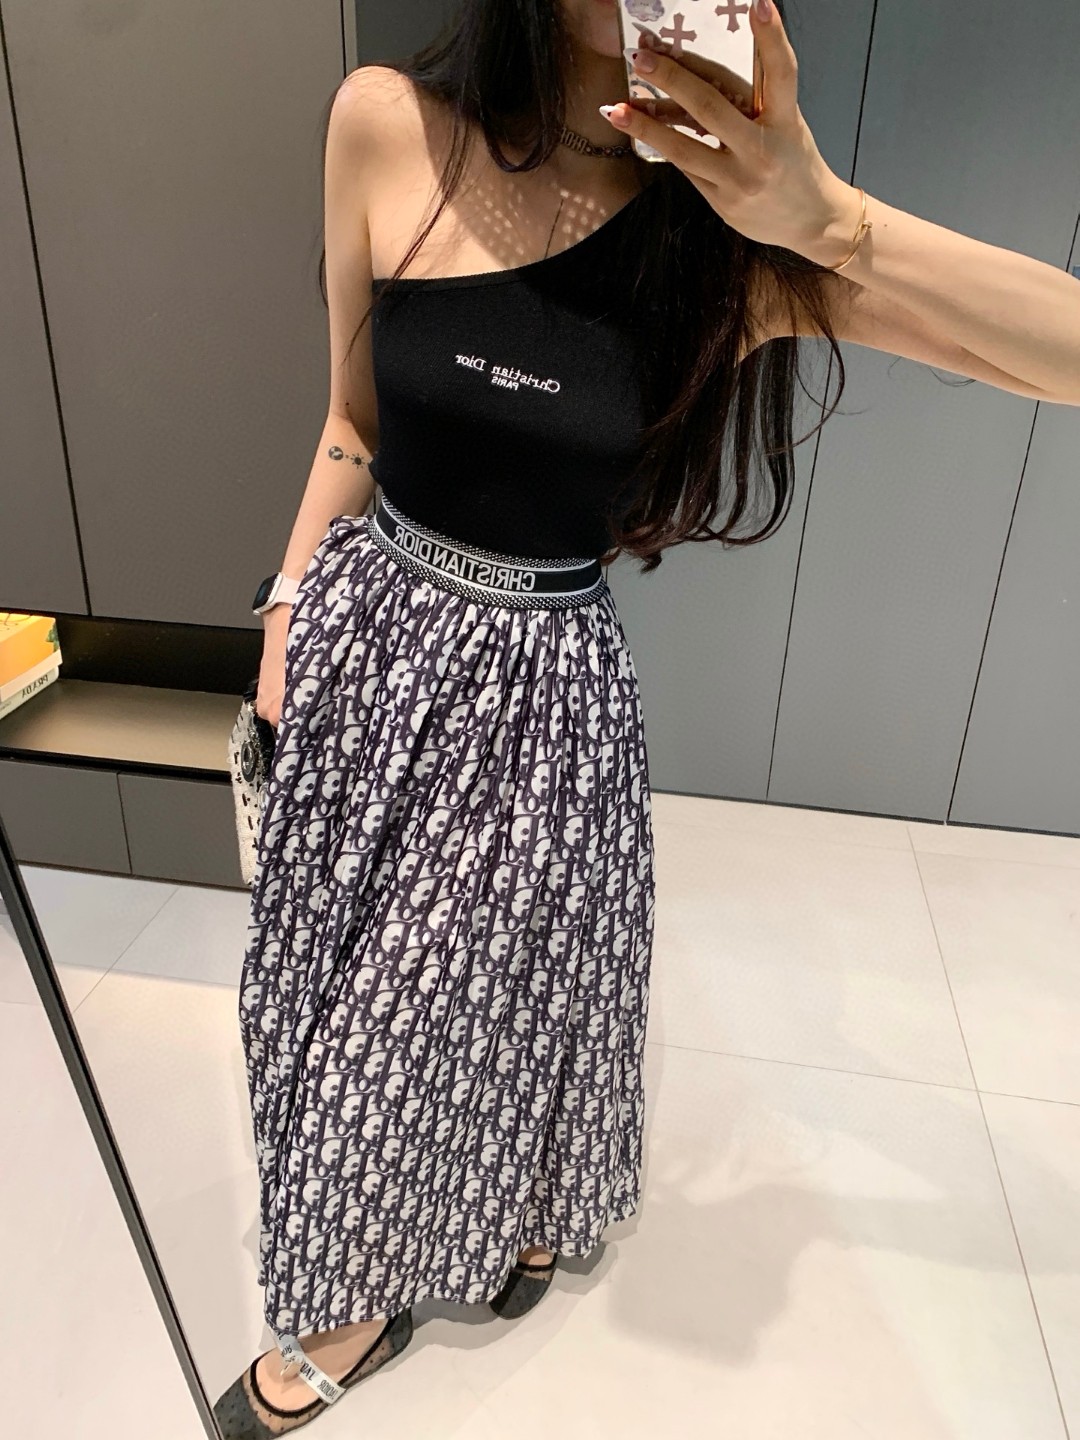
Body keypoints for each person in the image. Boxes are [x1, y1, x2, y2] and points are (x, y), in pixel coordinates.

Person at [214, 0, 1080, 1432]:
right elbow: (353, 421)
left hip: (544, 697)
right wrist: (288, 610)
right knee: (321, 988)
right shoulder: (384, 124)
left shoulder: (734, 247)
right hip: (368, 644)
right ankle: (460, 1226)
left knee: (472, 1003)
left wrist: (825, 214)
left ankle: (363, 1298)